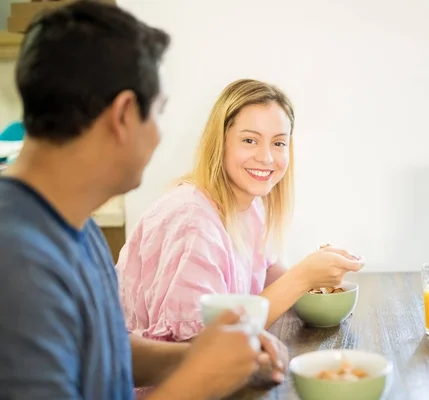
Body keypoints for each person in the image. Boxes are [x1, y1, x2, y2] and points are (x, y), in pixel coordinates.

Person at [0, 1, 284, 399]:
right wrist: (199, 379)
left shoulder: (75, 226)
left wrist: (198, 355)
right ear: (124, 114)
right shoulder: (18, 262)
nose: (159, 136)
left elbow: (106, 348)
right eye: (159, 114)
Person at [116, 79, 365, 346]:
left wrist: (319, 272)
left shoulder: (251, 206)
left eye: (278, 143)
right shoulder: (192, 218)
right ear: (219, 142)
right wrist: (302, 276)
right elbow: (201, 347)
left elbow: (271, 277)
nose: (266, 157)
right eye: (249, 140)